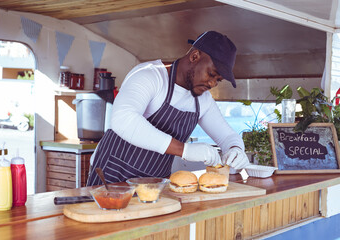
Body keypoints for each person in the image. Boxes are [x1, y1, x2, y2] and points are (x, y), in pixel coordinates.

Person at [87, 31, 249, 186]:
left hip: (154, 185)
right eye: (211, 74)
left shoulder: (203, 100)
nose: (212, 84)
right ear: (194, 56)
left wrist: (236, 150)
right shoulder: (149, 75)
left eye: (218, 80)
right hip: (112, 176)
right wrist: (185, 150)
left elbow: (227, 136)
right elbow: (123, 120)